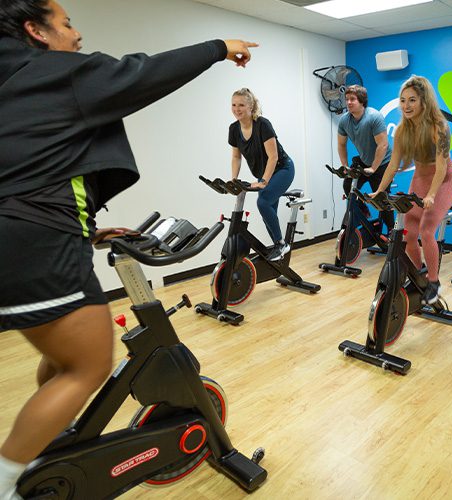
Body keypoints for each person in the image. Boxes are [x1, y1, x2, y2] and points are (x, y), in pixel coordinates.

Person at [0, 1, 258, 498]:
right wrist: (218, 48)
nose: (76, 34)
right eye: (66, 23)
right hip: (39, 239)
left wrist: (87, 229)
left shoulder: (12, 85)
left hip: (34, 235)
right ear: (35, 31)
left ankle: (47, 440)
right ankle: (8, 478)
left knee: (61, 361)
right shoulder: (53, 71)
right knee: (88, 366)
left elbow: (30, 167)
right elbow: (141, 75)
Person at [370, 75, 452, 305]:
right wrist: (379, 191)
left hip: (444, 180)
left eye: (412, 100)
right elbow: (392, 164)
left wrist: (431, 195)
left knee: (427, 230)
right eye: (402, 100)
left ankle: (434, 281)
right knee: (408, 233)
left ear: (424, 102)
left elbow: (441, 166)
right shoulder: (402, 131)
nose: (406, 106)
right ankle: (418, 275)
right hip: (420, 179)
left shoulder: (439, 127)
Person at [229, 88, 295, 261]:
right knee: (268, 210)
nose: (237, 109)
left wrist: (264, 181)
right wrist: (234, 180)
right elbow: (236, 157)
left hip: (282, 169)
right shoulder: (234, 129)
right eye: (234, 105)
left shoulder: (262, 125)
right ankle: (279, 247)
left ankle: (281, 244)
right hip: (263, 174)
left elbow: (273, 157)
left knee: (263, 201)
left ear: (251, 106)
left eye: (241, 105)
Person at [337, 84, 394, 234]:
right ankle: (362, 207)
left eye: (352, 99)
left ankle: (392, 232)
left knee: (381, 199)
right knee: (348, 185)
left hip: (382, 162)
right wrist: (344, 166)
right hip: (364, 160)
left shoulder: (373, 117)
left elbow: (382, 145)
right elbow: (341, 145)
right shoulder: (344, 120)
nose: (348, 102)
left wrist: (374, 168)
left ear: (362, 101)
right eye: (347, 99)